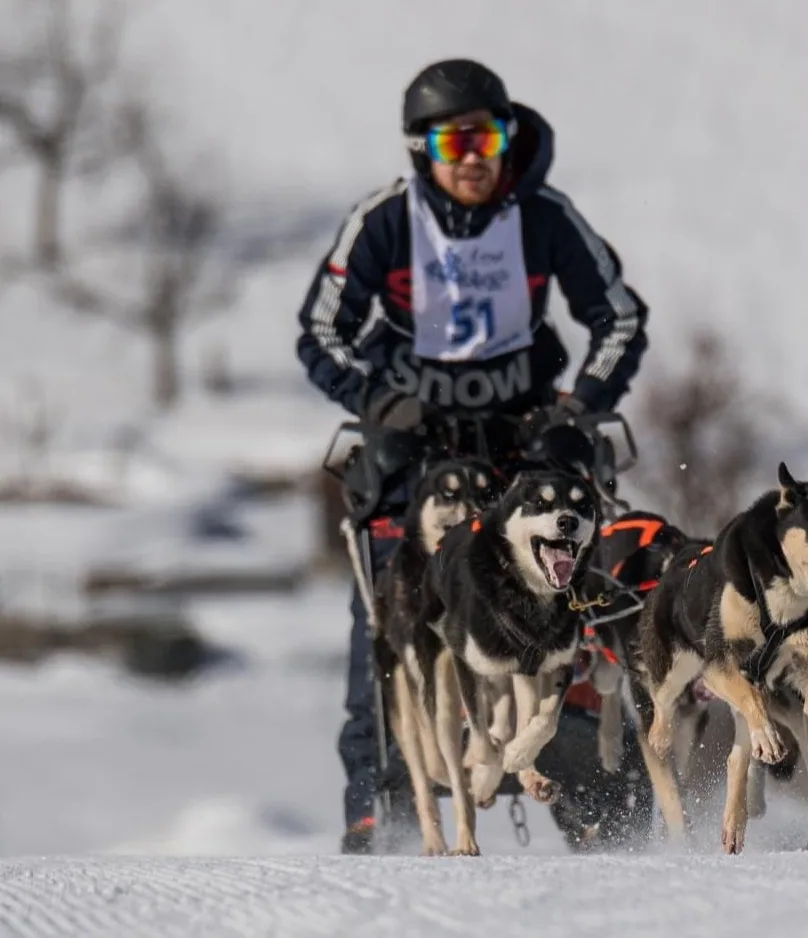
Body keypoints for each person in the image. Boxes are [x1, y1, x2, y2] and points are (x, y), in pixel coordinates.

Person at [294, 58, 651, 853]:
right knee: (389, 641)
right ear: (422, 149)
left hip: (524, 446)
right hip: (415, 454)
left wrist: (579, 406)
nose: (472, 159)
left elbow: (619, 318)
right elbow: (319, 333)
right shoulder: (383, 221)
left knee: (570, 626)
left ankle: (616, 822)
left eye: (487, 137)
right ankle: (381, 820)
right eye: (453, 142)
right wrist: (378, 403)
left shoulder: (544, 214)